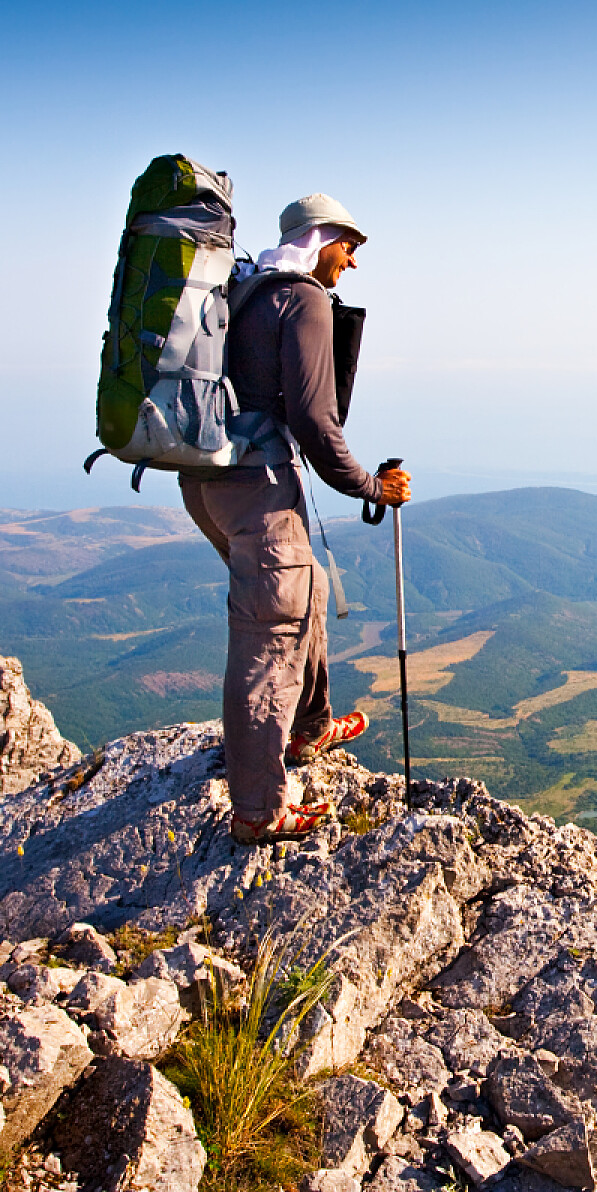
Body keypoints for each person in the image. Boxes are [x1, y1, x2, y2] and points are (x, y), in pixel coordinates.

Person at [179, 193, 409, 845]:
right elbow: (315, 419)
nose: (354, 261)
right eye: (350, 246)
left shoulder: (247, 289)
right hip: (257, 483)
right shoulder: (303, 300)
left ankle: (309, 729)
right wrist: (370, 486)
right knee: (268, 638)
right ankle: (257, 808)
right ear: (322, 238)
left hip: (210, 481)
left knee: (299, 600)